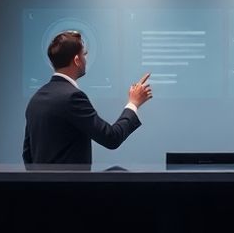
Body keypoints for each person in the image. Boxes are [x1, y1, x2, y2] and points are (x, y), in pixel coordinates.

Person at [22, 30, 152, 165]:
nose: (86, 59)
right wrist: (133, 103)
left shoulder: (35, 99)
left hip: (40, 179)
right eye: (84, 54)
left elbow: (27, 154)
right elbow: (111, 138)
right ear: (77, 60)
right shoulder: (72, 97)